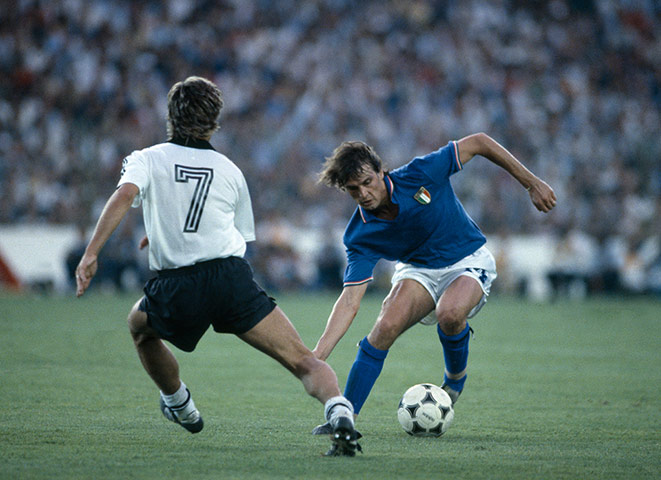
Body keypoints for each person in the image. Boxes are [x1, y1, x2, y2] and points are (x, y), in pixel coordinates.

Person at [74, 76, 359, 456]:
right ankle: (339, 411)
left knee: (139, 328)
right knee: (303, 360)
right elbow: (233, 233)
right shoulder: (230, 170)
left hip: (179, 284)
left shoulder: (147, 157)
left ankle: (179, 404)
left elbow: (127, 193)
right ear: (214, 121)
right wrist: (167, 233)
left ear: (170, 117)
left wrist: (92, 252)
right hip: (231, 278)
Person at [311, 134, 556, 434]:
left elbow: (479, 142)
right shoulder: (360, 234)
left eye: (367, 182)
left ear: (381, 171)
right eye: (353, 189)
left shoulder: (421, 173)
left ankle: (454, 381)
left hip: (467, 259)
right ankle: (344, 418)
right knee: (383, 328)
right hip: (418, 270)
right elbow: (349, 301)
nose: (363, 193)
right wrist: (316, 357)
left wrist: (531, 183)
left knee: (450, 314)